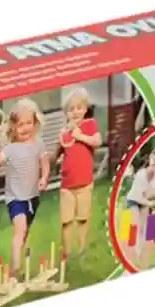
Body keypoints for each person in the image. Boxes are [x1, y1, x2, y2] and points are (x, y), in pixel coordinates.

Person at [0, 98, 50, 279]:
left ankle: (17, 265)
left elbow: (45, 163)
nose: (25, 128)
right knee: (20, 230)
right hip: (15, 198)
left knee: (24, 233)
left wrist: (44, 177)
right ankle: (14, 272)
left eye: (28, 123)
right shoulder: (10, 148)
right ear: (13, 127)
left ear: (35, 122)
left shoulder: (38, 144)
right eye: (20, 124)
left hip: (33, 197)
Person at [56, 87, 102, 258]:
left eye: (79, 108)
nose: (75, 112)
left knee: (83, 218)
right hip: (67, 185)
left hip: (85, 183)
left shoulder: (89, 125)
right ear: (66, 113)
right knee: (66, 220)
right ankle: (67, 252)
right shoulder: (64, 133)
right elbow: (57, 153)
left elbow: (97, 141)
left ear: (85, 109)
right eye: (71, 109)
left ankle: (82, 250)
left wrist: (80, 136)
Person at [124, 149, 155, 262]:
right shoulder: (141, 174)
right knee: (136, 225)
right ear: (150, 159)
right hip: (133, 200)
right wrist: (150, 202)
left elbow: (152, 194)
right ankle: (134, 252)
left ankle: (140, 253)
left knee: (144, 226)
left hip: (145, 201)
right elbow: (138, 196)